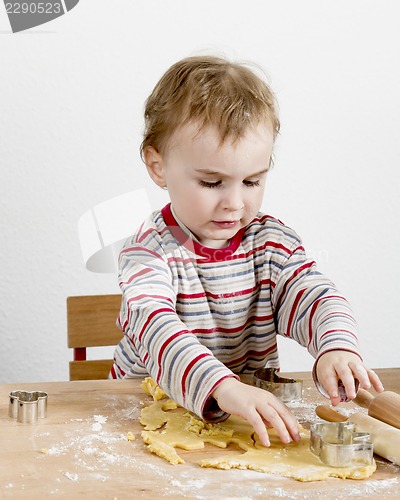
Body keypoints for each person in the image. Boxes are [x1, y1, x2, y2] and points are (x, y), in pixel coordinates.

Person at [110, 55, 384, 447]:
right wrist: (221, 385)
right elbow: (156, 327)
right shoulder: (148, 252)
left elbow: (315, 295)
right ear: (158, 166)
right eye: (211, 182)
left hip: (237, 420)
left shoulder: (269, 246)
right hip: (142, 417)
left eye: (252, 181)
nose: (235, 203)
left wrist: (335, 345)